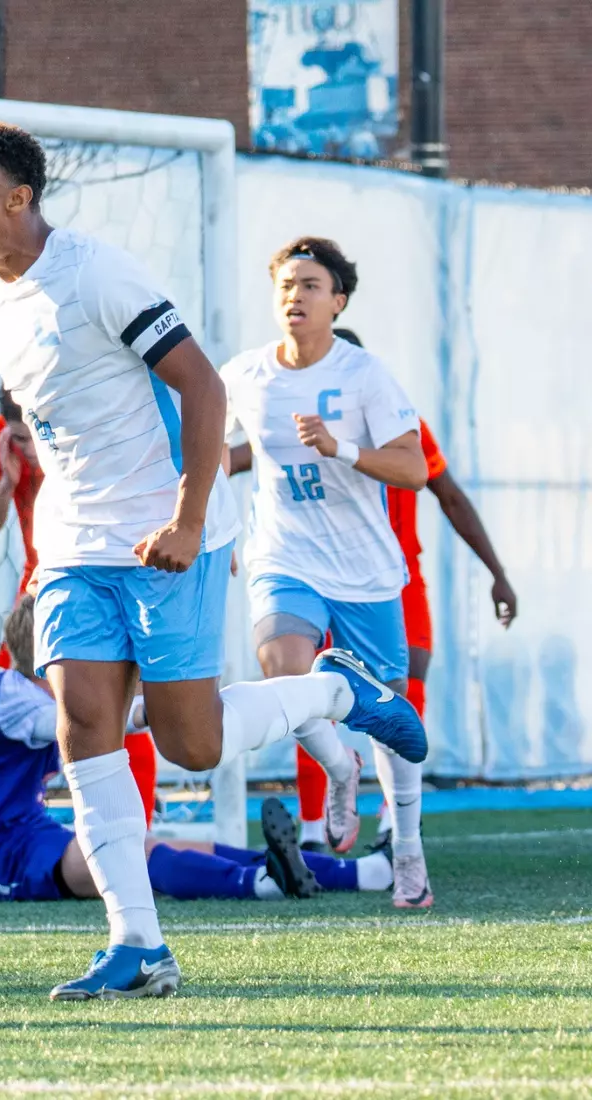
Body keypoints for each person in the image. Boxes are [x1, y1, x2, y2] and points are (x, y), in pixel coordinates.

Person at [0, 120, 425, 1000]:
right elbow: (66, 429)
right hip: (77, 544)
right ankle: (139, 946)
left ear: (19, 199)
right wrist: (53, 543)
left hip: (170, 533)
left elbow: (202, 385)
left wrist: (192, 521)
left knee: (190, 742)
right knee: (86, 718)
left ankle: (341, 690)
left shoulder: (96, 272)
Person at [220, 238, 438, 909]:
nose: (296, 296)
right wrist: (204, 520)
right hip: (284, 556)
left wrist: (340, 447)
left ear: (338, 301)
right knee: (284, 668)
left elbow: (415, 469)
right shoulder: (245, 375)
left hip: (365, 570)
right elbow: (213, 450)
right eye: (287, 285)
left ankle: (406, 848)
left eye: (311, 286)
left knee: (391, 717)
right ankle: (338, 772)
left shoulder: (365, 374)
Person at [0, 598, 394, 908]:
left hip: (29, 835)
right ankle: (262, 884)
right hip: (6, 858)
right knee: (132, 853)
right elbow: (58, 727)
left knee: (178, 847)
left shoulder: (23, 694)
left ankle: (364, 873)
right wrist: (149, 711)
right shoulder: (17, 699)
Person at [283, 328, 518, 856]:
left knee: (404, 688)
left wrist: (496, 572)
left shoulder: (402, 427)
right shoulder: (292, 430)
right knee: (302, 688)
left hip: (398, 579)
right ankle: (314, 830)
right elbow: (236, 461)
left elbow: (450, 497)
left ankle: (395, 824)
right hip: (315, 574)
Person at [0, 385, 160, 827]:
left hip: (105, 587)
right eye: (20, 439)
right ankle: (16, 826)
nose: (29, 450)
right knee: (11, 705)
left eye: (34, 436)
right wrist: (6, 484)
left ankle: (139, 829)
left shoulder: (93, 429)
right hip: (40, 595)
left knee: (121, 710)